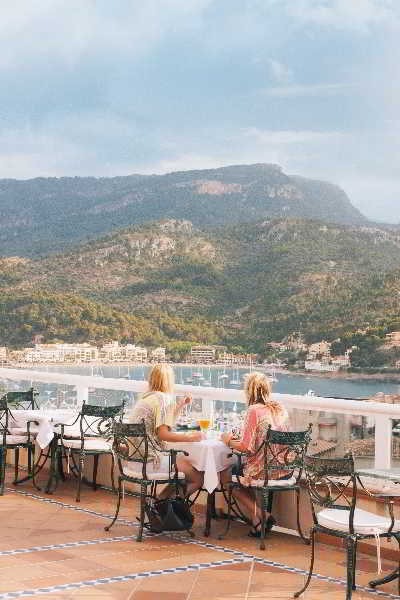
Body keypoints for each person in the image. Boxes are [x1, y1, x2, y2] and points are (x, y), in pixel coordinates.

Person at [221, 371, 289, 537]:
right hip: (285, 469)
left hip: (264, 471)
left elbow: (246, 448)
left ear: (249, 391)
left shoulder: (254, 410)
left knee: (225, 475)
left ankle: (263, 515)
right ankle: (257, 523)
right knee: (242, 472)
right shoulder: (279, 408)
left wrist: (228, 440)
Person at [126, 363, 204, 497]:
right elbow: (163, 434)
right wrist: (191, 437)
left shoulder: (146, 398)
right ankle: (161, 508)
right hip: (149, 462)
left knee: (181, 473)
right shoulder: (163, 399)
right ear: (169, 381)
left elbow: (163, 423)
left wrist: (180, 405)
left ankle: (159, 507)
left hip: (133, 461)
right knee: (198, 477)